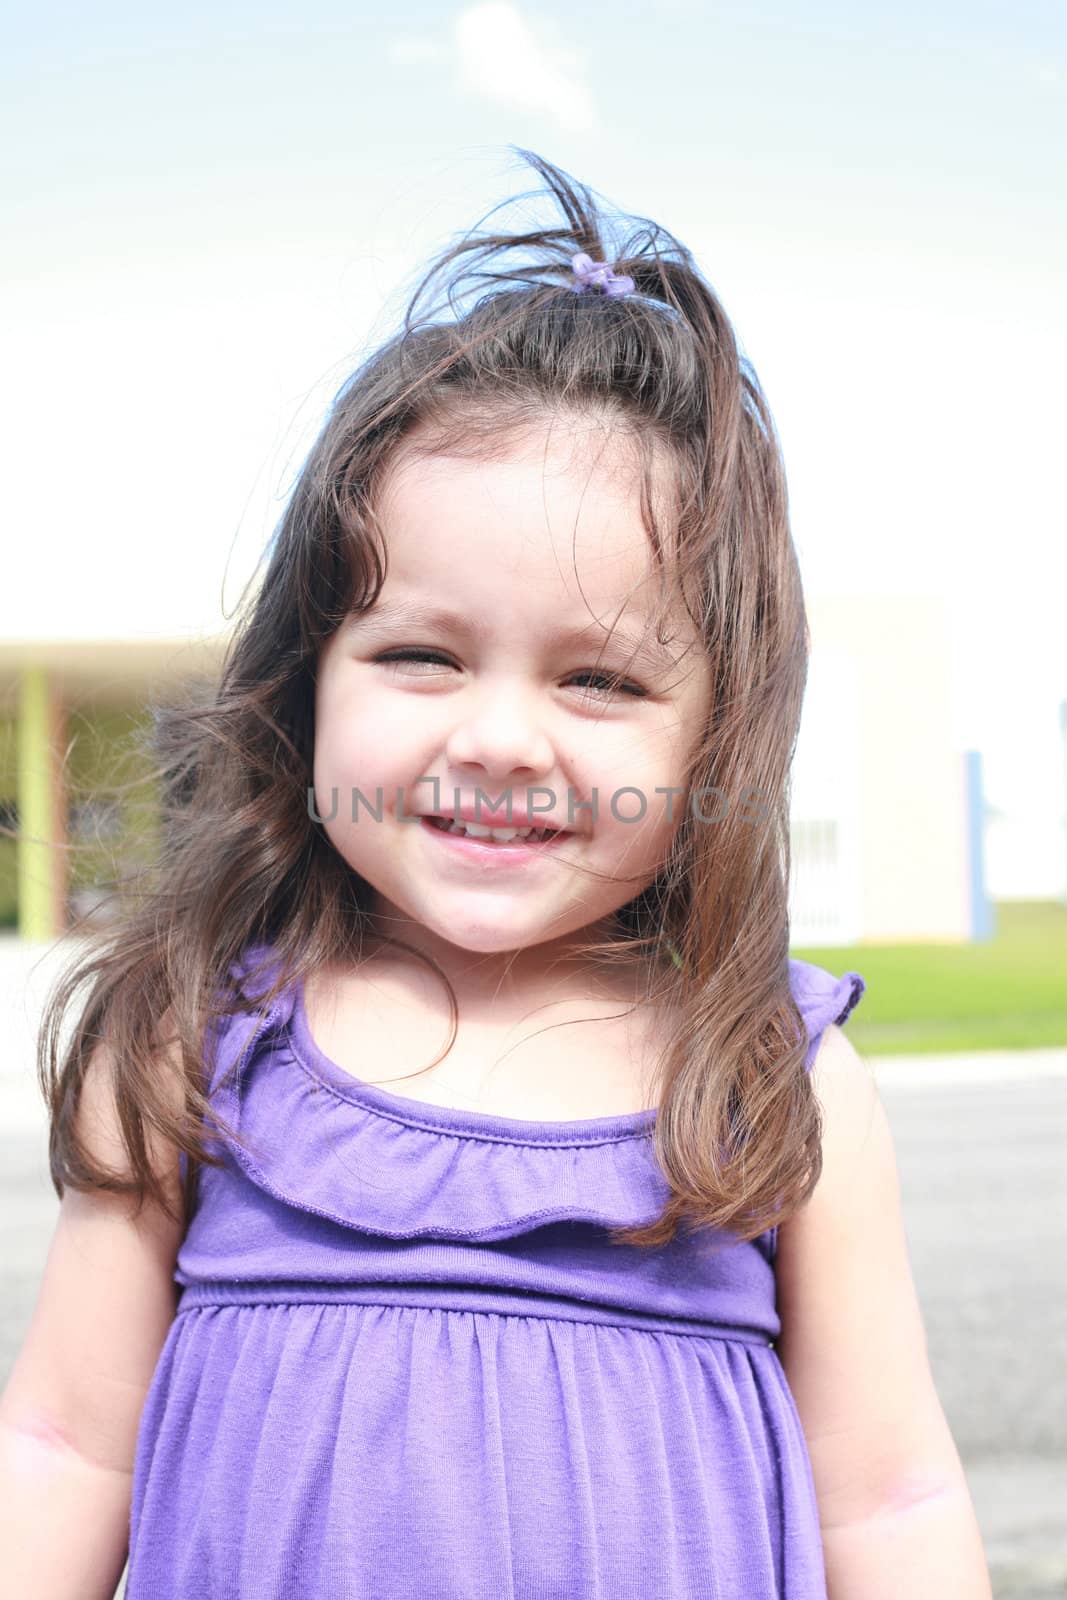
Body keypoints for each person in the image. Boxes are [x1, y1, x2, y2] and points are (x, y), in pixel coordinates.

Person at [0, 150, 992, 1599]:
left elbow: (895, 1500)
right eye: (422, 654)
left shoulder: (770, 1072)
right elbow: (62, 1449)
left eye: (598, 678)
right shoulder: (195, 1035)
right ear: (305, 681)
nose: (502, 739)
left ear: (714, 731)